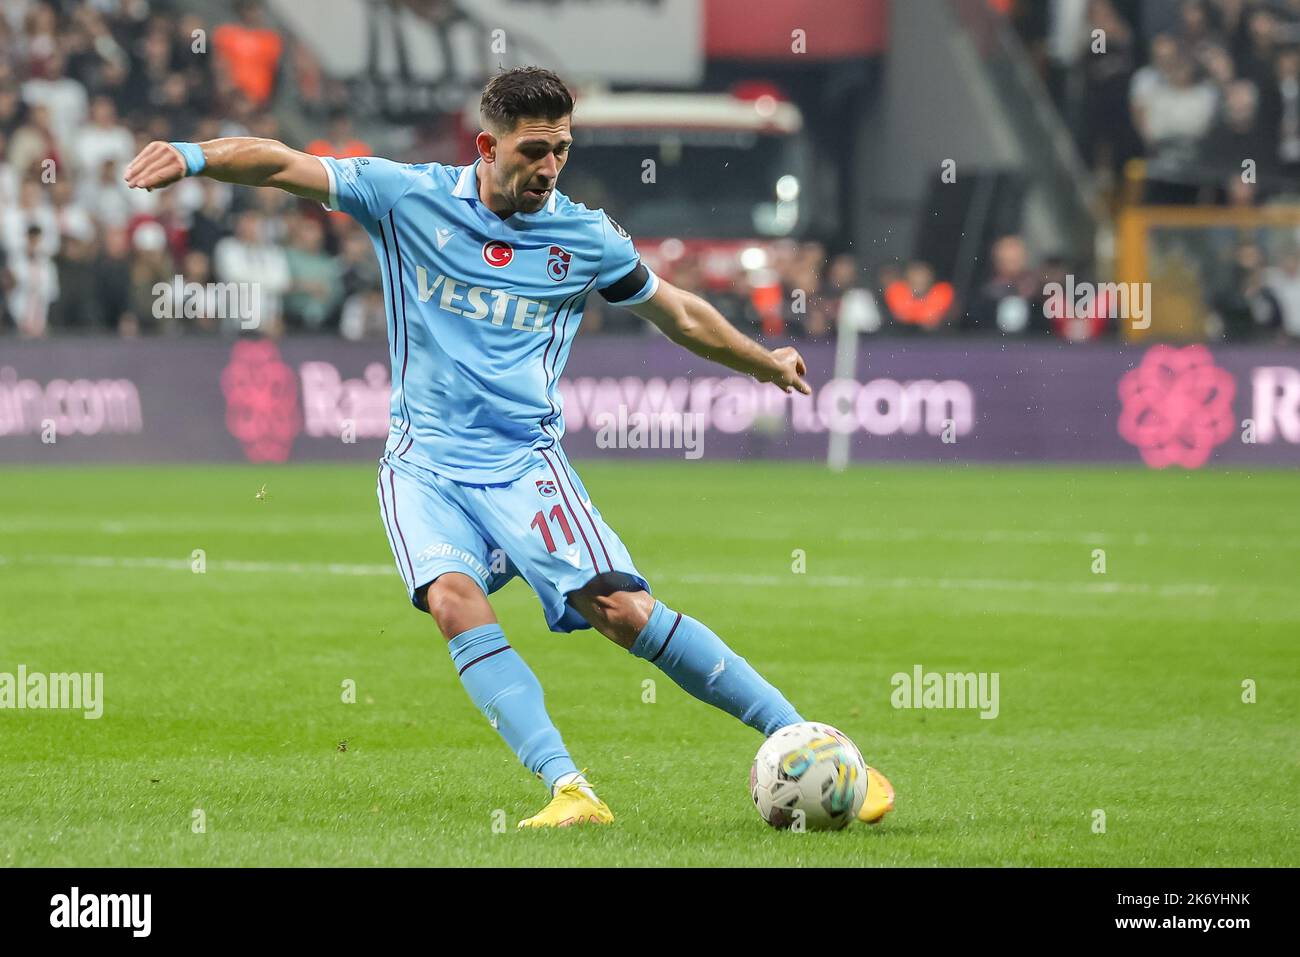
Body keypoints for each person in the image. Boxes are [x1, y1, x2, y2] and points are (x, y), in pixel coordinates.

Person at [123, 66, 894, 829]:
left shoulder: (583, 236)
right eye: (534, 150)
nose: (550, 166)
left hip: (526, 464)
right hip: (423, 465)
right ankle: (569, 789)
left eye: (561, 148)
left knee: (621, 610)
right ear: (487, 147)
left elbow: (678, 313)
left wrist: (760, 358)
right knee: (454, 601)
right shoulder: (406, 197)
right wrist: (194, 156)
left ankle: (813, 742)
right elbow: (286, 163)